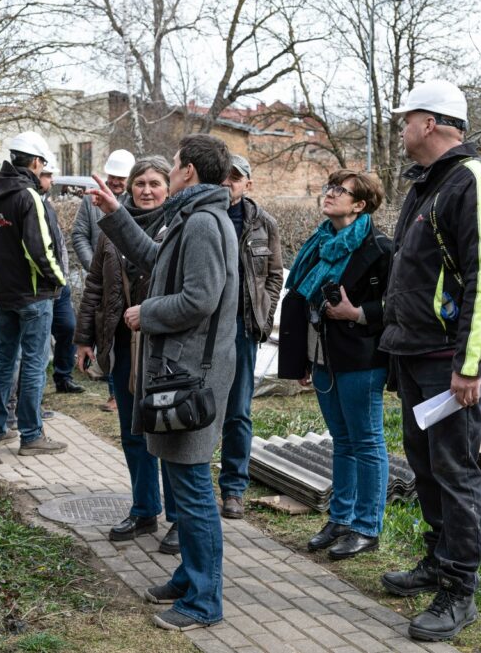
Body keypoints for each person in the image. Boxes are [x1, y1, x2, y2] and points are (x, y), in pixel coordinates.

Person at [379, 80, 481, 642]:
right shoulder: (427, 185)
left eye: (406, 119)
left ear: (430, 123)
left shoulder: (475, 182)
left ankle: (460, 590)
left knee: (455, 471)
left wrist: (471, 364)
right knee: (426, 467)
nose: (400, 129)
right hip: (415, 355)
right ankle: (437, 560)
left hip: (448, 363)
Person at [87, 134, 237, 632]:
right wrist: (114, 212)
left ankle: (204, 601)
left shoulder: (205, 224)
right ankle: (188, 576)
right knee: (179, 479)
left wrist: (143, 312)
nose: (168, 174)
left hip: (192, 376)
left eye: (172, 166)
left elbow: (199, 299)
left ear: (189, 170)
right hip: (178, 372)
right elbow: (155, 260)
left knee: (193, 490)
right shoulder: (192, 218)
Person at [281, 170, 392, 560]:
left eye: (339, 191)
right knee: (341, 441)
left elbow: (398, 304)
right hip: (324, 355)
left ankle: (367, 526)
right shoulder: (319, 242)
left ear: (359, 205)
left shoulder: (380, 247)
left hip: (362, 357)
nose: (328, 194)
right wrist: (303, 357)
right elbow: (299, 299)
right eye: (328, 188)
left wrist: (357, 313)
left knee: (366, 441)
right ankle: (340, 518)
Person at [75, 156, 179, 553]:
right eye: (140, 183)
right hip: (121, 343)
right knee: (132, 432)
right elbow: (96, 287)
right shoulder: (110, 229)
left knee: (166, 434)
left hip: (162, 348)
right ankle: (144, 508)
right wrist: (84, 339)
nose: (147, 190)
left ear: (168, 188)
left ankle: (179, 518)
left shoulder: (179, 227)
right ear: (129, 187)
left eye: (155, 183)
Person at [0, 131, 68, 455]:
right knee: (33, 363)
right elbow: (40, 249)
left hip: (4, 295)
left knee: (4, 361)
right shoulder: (28, 196)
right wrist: (59, 281)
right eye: (42, 162)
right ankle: (31, 436)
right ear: (34, 161)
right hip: (33, 297)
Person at [217, 154, 283, 519]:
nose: (229, 182)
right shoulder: (203, 216)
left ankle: (233, 489)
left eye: (236, 177)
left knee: (238, 413)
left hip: (243, 330)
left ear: (247, 184)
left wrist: (264, 314)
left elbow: (274, 275)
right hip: (206, 331)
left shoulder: (263, 224)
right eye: (224, 176)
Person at [74, 148, 136, 413]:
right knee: (107, 336)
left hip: (130, 285)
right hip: (103, 282)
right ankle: (114, 394)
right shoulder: (91, 202)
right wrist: (95, 267)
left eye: (121, 178)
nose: (116, 182)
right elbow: (78, 235)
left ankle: (125, 390)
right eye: (113, 176)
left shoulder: (137, 201)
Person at [40, 162, 85, 395]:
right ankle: (30, 396)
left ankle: (63, 377)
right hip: (42, 286)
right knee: (36, 342)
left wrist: (63, 277)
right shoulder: (29, 204)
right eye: (47, 175)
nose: (52, 181)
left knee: (68, 328)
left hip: (61, 283)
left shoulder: (47, 204)